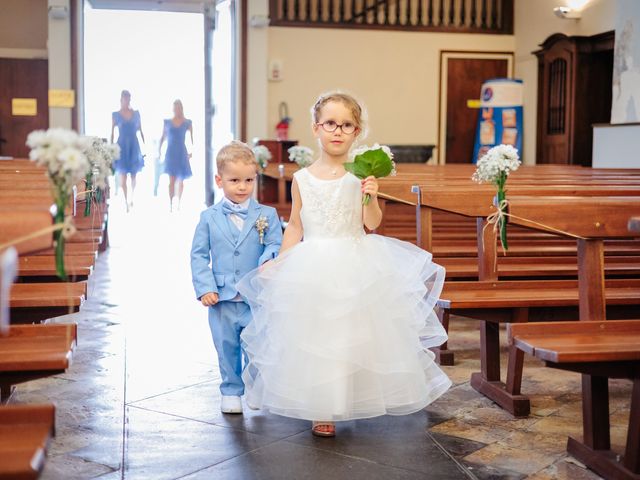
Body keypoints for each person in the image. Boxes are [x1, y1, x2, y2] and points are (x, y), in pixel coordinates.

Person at [237, 92, 451, 437]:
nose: (338, 131)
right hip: (313, 262)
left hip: (355, 258)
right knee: (317, 334)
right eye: (330, 124)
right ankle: (323, 408)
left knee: (352, 335)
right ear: (316, 128)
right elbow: (295, 225)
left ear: (357, 131)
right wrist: (280, 261)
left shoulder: (360, 175)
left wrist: (371, 194)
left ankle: (349, 398)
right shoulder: (302, 178)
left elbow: (373, 222)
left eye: (346, 125)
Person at [190, 141, 283, 414]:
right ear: (219, 180)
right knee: (226, 347)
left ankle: (256, 389)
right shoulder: (208, 218)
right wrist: (205, 287)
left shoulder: (267, 215)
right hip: (221, 298)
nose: (242, 187)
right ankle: (230, 390)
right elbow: (198, 255)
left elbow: (275, 244)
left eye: (248, 180)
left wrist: (269, 258)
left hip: (256, 295)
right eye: (234, 180)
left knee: (258, 346)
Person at [111, 90, 145, 211]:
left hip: (134, 146)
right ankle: (126, 201)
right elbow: (112, 133)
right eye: (125, 98)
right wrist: (111, 149)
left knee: (134, 175)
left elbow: (141, 131)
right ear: (121, 99)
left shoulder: (136, 113)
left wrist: (144, 147)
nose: (127, 101)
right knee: (123, 175)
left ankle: (132, 198)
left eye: (129, 98)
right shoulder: (115, 114)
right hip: (121, 146)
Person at [159, 99, 193, 211]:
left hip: (182, 152)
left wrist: (191, 151)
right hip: (171, 152)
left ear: (181, 109)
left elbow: (192, 139)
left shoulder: (187, 122)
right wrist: (159, 150)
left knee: (181, 179)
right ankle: (170, 203)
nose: (177, 110)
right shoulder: (167, 122)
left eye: (179, 107)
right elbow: (163, 137)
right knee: (171, 180)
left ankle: (179, 202)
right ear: (173, 109)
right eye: (175, 107)